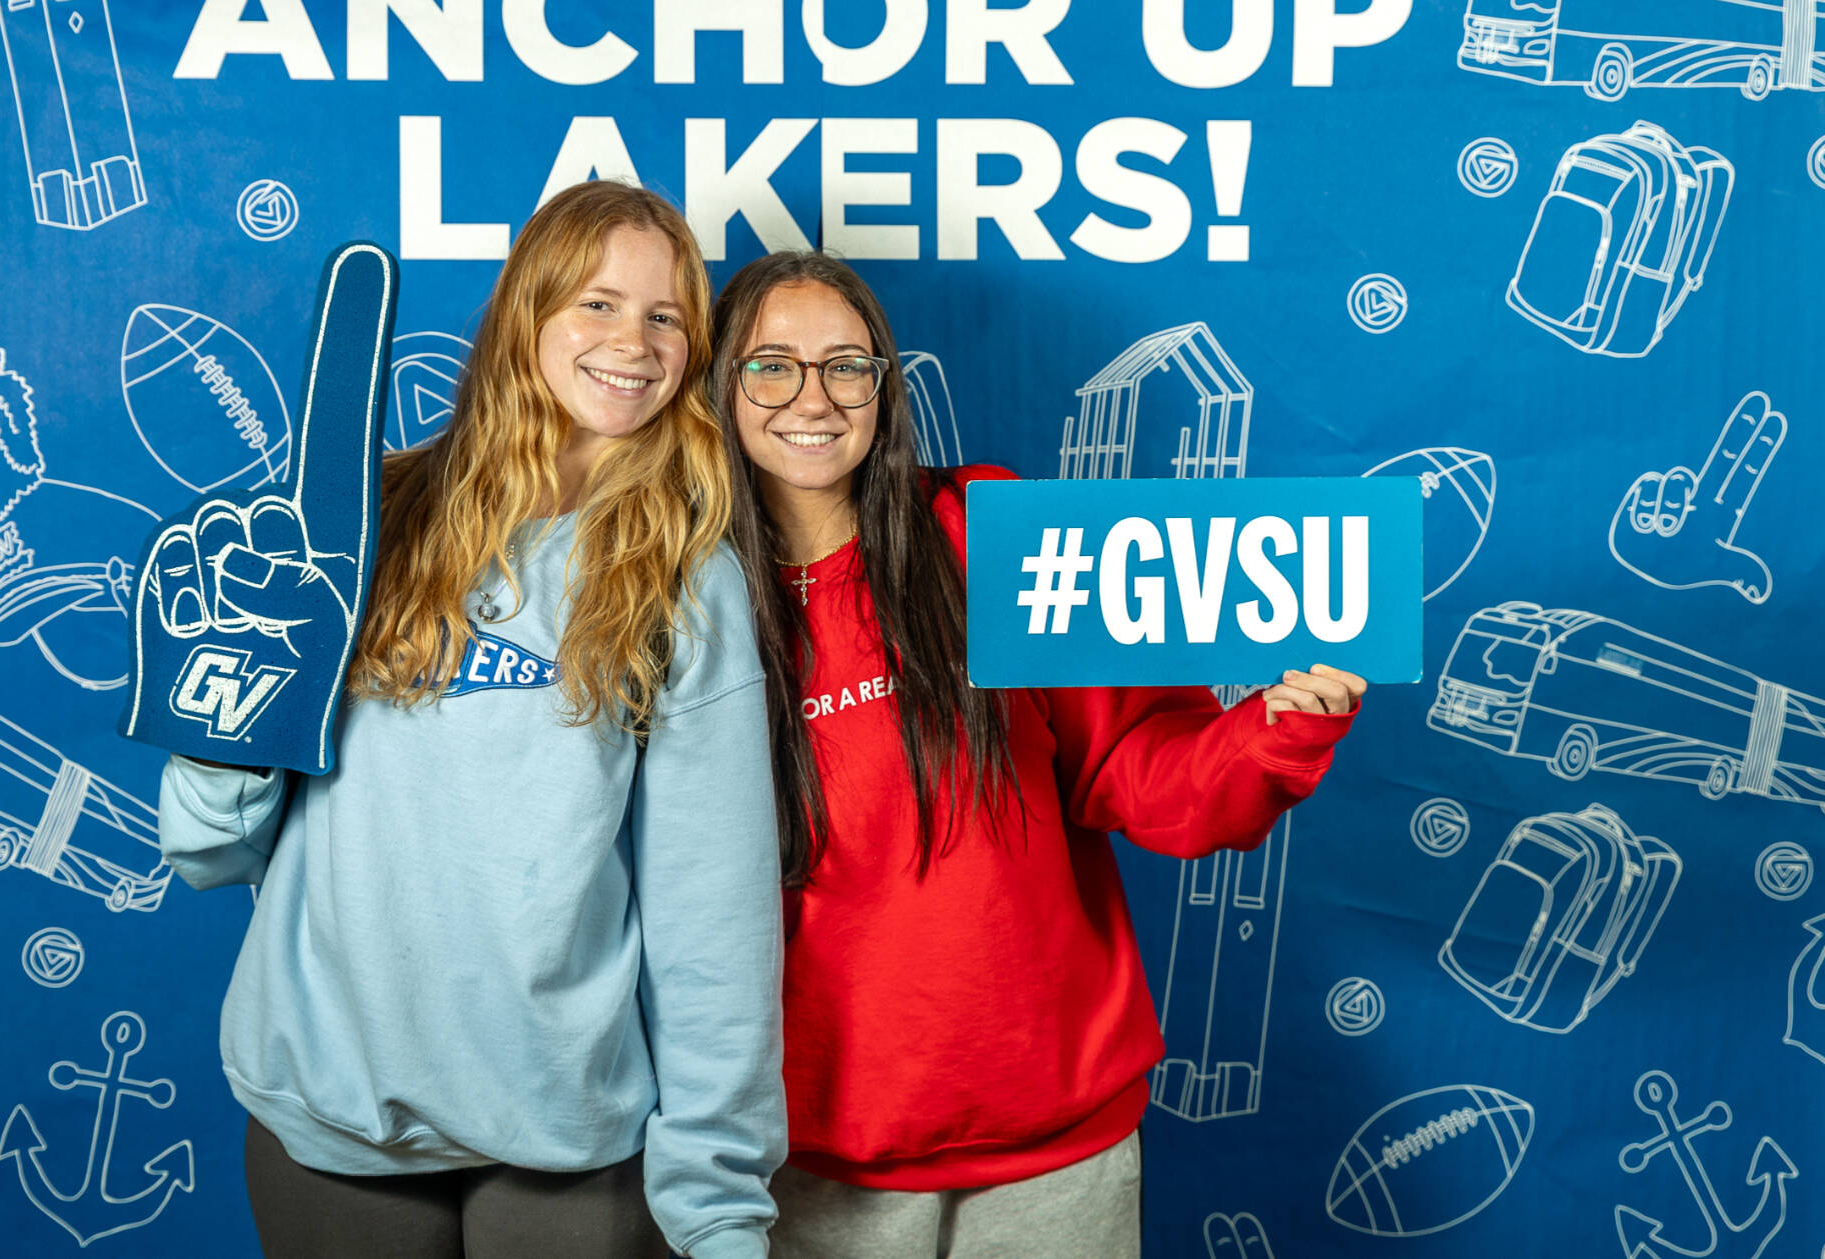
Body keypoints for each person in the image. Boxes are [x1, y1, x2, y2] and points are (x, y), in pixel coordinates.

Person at [157, 182, 785, 1259]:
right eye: (595, 303)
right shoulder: (365, 516)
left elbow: (712, 918)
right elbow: (209, 850)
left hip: (562, 1135)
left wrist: (718, 1202)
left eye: (665, 315)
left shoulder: (683, 575)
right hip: (327, 1111)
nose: (631, 341)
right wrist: (229, 717)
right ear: (525, 314)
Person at [709, 251, 1365, 1259]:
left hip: (1053, 1146)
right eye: (771, 365)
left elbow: (1141, 768)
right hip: (806, 1153)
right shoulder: (681, 599)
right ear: (722, 385)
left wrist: (1273, 731)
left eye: (847, 365)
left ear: (885, 388)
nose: (814, 396)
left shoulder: (988, 531)